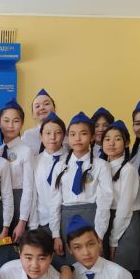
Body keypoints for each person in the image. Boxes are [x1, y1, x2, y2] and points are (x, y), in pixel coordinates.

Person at [50, 112, 113, 264]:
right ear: (67, 137)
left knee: (92, 262)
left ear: (92, 137)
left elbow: (104, 202)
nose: (77, 138)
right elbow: (54, 202)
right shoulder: (59, 166)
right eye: (72, 134)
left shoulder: (101, 166)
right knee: (69, 266)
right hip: (66, 220)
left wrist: (99, 234)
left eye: (83, 134)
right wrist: (55, 234)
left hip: (91, 219)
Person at [101, 120, 140, 274]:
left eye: (118, 139)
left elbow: (124, 208)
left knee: (123, 272)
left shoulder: (128, 170)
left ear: (126, 143)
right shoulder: (102, 167)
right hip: (109, 220)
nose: (111, 143)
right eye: (107, 139)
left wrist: (113, 240)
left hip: (126, 223)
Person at [0, 98, 37, 242]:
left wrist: (22, 222)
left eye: (16, 121)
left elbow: (29, 188)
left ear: (22, 123)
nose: (10, 126)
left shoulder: (26, 151)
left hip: (19, 202)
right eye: (6, 121)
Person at [22, 88, 58, 154]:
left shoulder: (66, 133)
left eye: (46, 104)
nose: (42, 108)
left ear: (54, 109)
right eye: (37, 106)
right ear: (33, 114)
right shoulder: (27, 136)